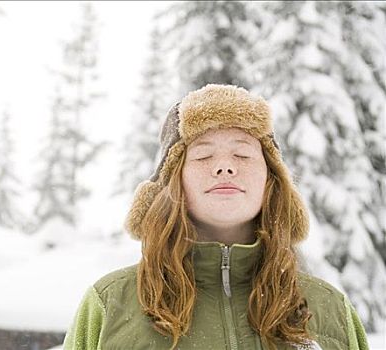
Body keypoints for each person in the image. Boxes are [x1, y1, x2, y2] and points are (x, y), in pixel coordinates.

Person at [63, 84, 369, 349]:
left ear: (270, 180)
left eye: (243, 154)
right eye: (203, 155)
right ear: (174, 181)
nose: (225, 167)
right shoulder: (110, 303)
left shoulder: (330, 310)